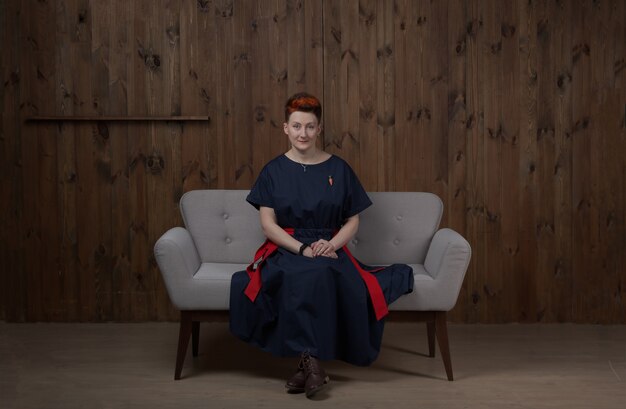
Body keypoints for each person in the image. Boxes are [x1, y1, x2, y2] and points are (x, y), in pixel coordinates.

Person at [229, 92, 414, 399]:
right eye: (297, 126)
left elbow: (352, 222)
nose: (303, 133)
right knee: (302, 274)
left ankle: (307, 367)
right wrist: (301, 249)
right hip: (286, 247)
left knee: (322, 272)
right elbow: (268, 225)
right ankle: (313, 365)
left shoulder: (339, 169)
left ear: (319, 128)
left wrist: (330, 244)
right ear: (285, 128)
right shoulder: (273, 171)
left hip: (329, 245)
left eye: (310, 127)